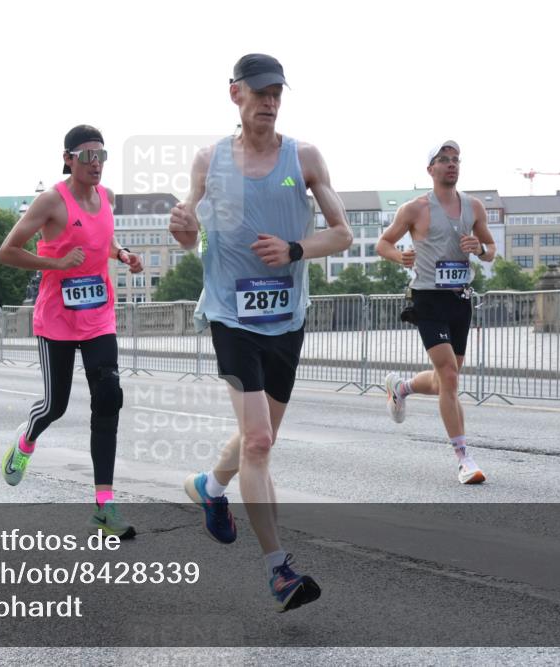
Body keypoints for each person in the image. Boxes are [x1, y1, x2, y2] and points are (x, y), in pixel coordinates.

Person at [169, 54, 352, 612]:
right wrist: (183, 229)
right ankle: (279, 571)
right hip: (230, 316)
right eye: (261, 92)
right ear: (236, 94)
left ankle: (209, 488)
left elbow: (342, 234)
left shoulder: (305, 157)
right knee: (259, 442)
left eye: (277, 93)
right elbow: (189, 233)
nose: (270, 101)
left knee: (260, 435)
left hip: (286, 318)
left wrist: (295, 249)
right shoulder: (209, 161)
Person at [0, 124, 143, 539]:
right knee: (55, 406)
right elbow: (7, 252)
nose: (96, 163)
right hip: (57, 320)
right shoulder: (51, 202)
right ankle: (26, 441)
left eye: (102, 155)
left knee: (109, 397)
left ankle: (104, 506)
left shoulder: (106, 198)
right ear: (68, 159)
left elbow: (102, 241)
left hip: (98, 317)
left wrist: (123, 254)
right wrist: (56, 264)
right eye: (88, 156)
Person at [377, 140, 496, 485]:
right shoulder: (415, 209)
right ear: (431, 169)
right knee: (449, 375)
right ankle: (464, 459)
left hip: (460, 299)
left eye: (455, 159)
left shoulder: (474, 206)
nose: (451, 164)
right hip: (428, 298)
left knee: (447, 378)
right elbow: (383, 243)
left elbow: (491, 249)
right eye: (444, 159)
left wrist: (480, 249)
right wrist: (399, 256)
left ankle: (401, 387)